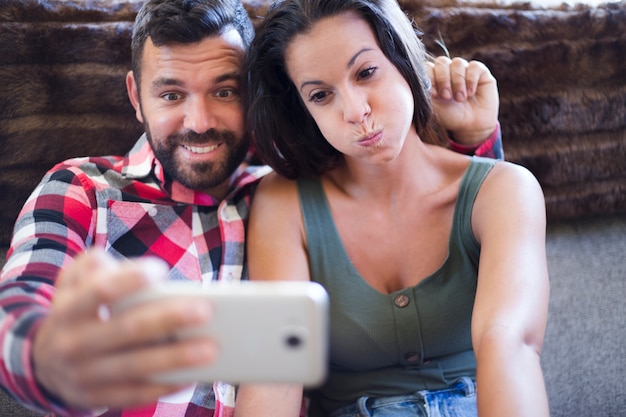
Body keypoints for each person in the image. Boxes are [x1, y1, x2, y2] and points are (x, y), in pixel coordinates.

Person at [0, 0, 503, 416]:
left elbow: (426, 214)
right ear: (136, 96)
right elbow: (16, 312)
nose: (198, 121)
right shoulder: (82, 188)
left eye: (224, 91)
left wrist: (473, 140)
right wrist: (53, 358)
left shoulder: (290, 191)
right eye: (171, 93)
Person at [235, 0, 550, 416]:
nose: (355, 111)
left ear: (403, 58)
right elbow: (276, 376)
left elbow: (509, 345)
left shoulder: (504, 190)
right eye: (321, 95)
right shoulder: (284, 204)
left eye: (366, 73)